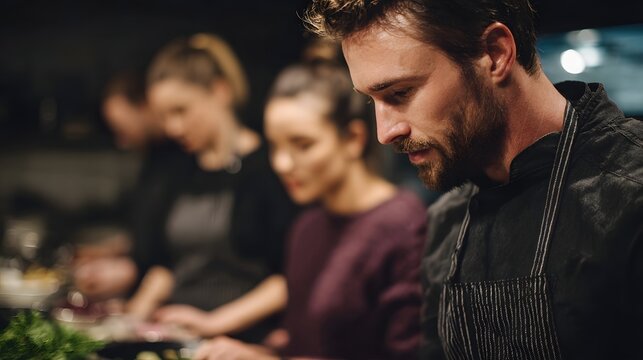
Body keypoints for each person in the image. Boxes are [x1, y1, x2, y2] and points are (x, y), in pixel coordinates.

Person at [304, 1, 643, 359]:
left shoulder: (630, 195)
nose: (385, 133)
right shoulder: (447, 220)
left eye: (400, 93)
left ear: (495, 54)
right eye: (373, 102)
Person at [195, 61, 426, 360]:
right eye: (275, 147)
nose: (282, 164)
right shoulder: (307, 226)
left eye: (302, 145)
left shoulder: (402, 225)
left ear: (353, 139)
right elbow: (304, 344)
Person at [128, 33, 297, 342]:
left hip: (242, 339)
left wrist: (214, 323)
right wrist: (128, 320)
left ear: (220, 91)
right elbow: (168, 266)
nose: (173, 128)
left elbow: (289, 279)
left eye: (181, 110)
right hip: (176, 334)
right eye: (164, 116)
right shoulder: (178, 170)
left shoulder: (271, 169)